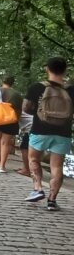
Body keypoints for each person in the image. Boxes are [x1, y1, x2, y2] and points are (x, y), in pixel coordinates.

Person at [23, 57, 74, 210]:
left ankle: (38, 188)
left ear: (47, 69)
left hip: (40, 130)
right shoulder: (71, 90)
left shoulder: (36, 87)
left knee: (33, 159)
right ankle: (52, 201)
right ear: (65, 70)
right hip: (63, 132)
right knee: (57, 167)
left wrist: (39, 113)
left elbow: (26, 108)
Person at [0, 76, 23, 173]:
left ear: (1, 81)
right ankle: (2, 166)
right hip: (10, 120)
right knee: (5, 143)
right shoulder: (17, 94)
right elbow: (19, 109)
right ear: (12, 83)